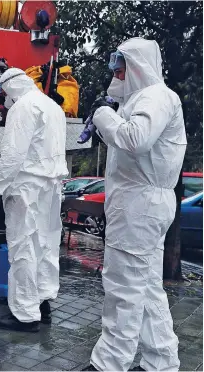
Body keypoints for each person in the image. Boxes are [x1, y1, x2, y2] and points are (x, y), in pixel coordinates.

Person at [83, 38, 185, 372]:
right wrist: (109, 118)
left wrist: (102, 115)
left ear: (137, 65)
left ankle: (108, 364)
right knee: (146, 287)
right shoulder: (143, 99)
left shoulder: (155, 96)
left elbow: (134, 139)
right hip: (141, 203)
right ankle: (162, 361)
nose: (115, 70)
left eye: (121, 63)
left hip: (140, 206)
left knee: (123, 287)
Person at [0, 67, 68, 332]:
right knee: (46, 245)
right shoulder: (52, 106)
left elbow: (12, 154)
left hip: (26, 186)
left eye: (3, 92)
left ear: (10, 87)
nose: (4, 99)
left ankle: (24, 314)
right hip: (51, 187)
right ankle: (42, 304)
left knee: (23, 247)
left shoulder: (22, 107)